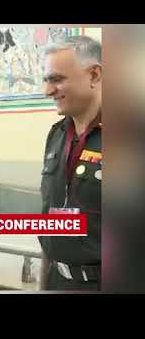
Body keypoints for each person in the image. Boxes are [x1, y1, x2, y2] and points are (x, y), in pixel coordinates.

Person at [39, 36, 102, 290]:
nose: (48, 91)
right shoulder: (56, 136)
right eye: (46, 80)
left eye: (57, 79)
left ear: (94, 75)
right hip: (58, 281)